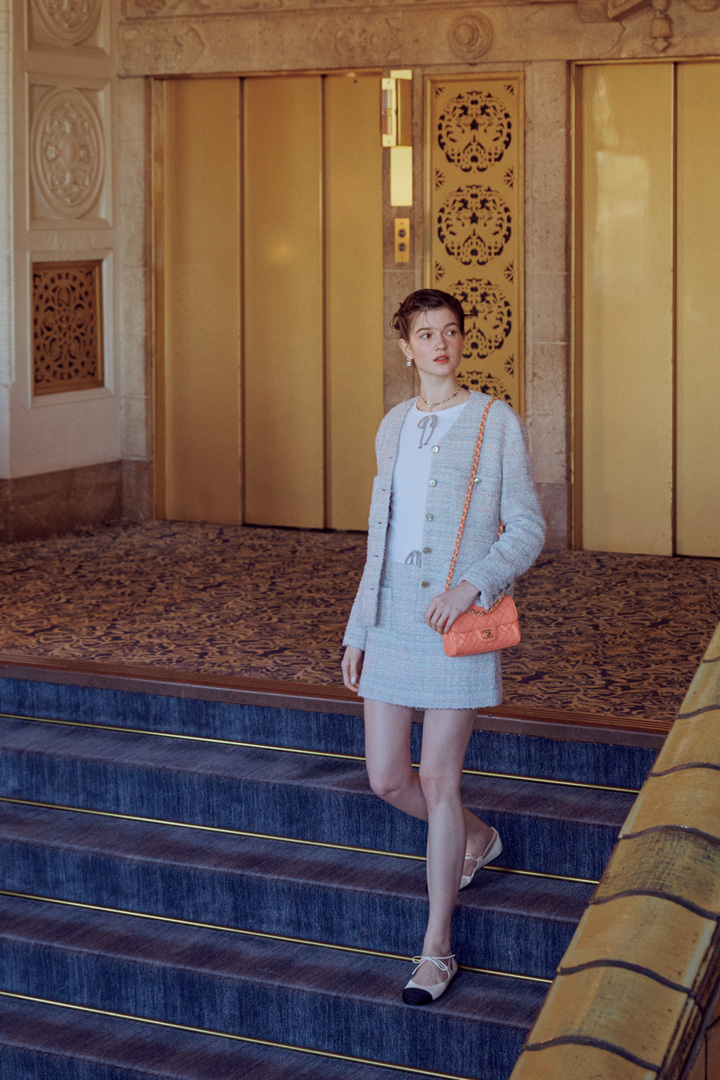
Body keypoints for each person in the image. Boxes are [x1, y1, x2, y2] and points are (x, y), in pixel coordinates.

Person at [341, 288, 545, 1005]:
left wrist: (472, 585)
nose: (441, 344)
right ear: (406, 347)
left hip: (456, 622)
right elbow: (380, 541)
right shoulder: (393, 425)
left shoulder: (495, 421)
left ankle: (436, 948)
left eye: (450, 332)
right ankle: (478, 840)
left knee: (437, 781)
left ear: (461, 341)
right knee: (387, 778)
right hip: (393, 617)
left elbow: (527, 526)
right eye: (426, 334)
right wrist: (358, 629)